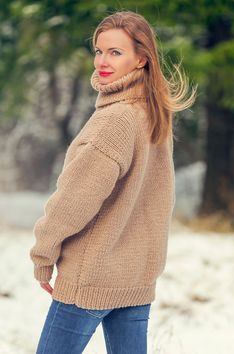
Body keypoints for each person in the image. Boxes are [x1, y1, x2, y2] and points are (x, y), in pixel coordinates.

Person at [29, 10, 197, 354]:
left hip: (93, 274)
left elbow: (73, 201)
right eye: (99, 50)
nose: (102, 62)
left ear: (141, 60)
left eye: (115, 52)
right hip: (136, 275)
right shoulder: (152, 112)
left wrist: (43, 253)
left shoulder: (116, 120)